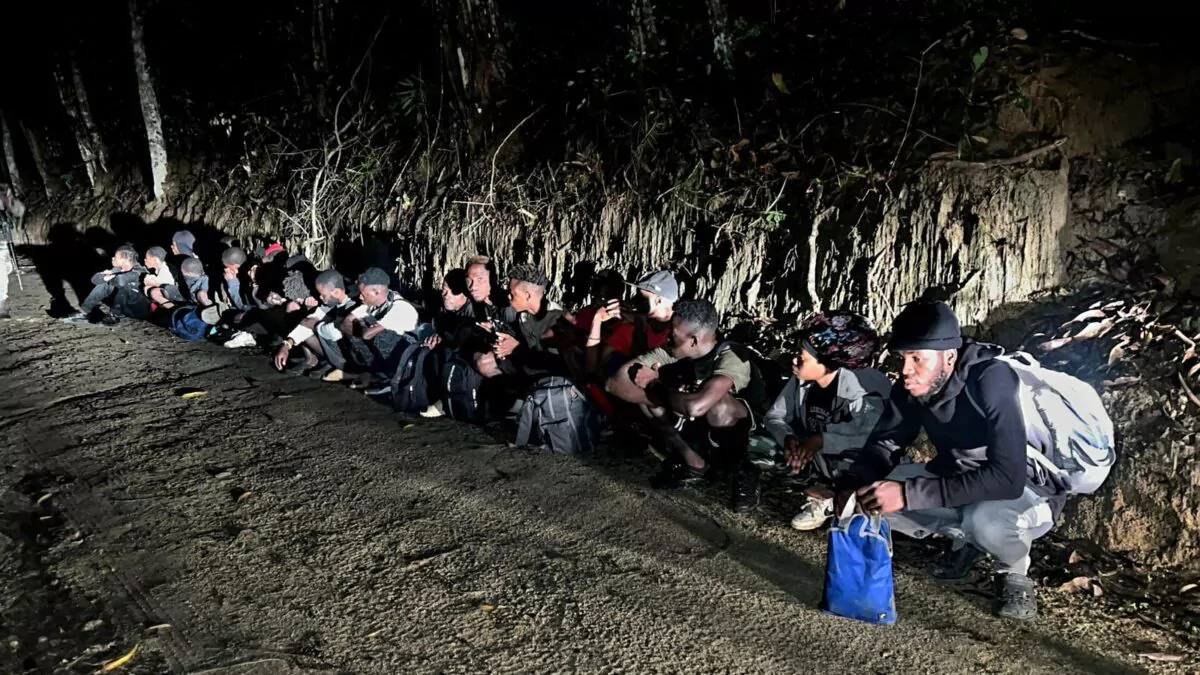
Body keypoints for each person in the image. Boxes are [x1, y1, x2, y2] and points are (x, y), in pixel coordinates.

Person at [833, 300, 1057, 621]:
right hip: (959, 475)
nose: (905, 369)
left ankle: (1013, 571)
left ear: (949, 356)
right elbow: (886, 443)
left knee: (985, 521)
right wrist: (852, 484)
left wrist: (908, 494)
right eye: (902, 357)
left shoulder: (992, 379)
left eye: (917, 358)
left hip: (1028, 490)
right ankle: (965, 541)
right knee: (871, 495)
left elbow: (1008, 478)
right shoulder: (911, 386)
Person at [606, 299, 766, 512]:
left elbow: (696, 407)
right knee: (650, 400)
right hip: (699, 424)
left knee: (719, 406)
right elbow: (614, 384)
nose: (667, 338)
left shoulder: (732, 356)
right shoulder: (673, 350)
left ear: (694, 340)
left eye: (673, 335)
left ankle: (742, 470)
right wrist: (658, 396)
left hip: (749, 434)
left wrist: (655, 386)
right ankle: (695, 464)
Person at [760, 311, 891, 531]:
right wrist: (788, 438)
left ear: (829, 362)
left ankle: (837, 498)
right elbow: (775, 416)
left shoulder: (864, 388)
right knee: (758, 443)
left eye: (802, 357)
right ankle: (821, 490)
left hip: (851, 461)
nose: (794, 360)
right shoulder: (802, 379)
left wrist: (822, 440)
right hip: (817, 457)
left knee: (863, 464)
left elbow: (875, 440)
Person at [324, 267, 419, 384]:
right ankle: (376, 374)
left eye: (363, 294)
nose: (360, 297)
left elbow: (367, 335)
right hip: (386, 355)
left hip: (407, 358)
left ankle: (391, 377)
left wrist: (362, 326)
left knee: (375, 332)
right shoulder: (372, 304)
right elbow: (345, 324)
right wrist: (362, 327)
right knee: (358, 327)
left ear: (376, 292)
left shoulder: (400, 307)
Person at [274, 270, 357, 372]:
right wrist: (286, 345)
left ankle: (347, 369)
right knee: (305, 325)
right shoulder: (332, 303)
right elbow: (307, 321)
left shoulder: (353, 306)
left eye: (323, 295)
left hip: (353, 359)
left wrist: (316, 326)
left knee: (322, 329)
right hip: (340, 353)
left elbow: (335, 333)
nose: (321, 298)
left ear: (336, 292)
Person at [62, 246, 149, 325]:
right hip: (126, 307)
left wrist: (109, 276)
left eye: (115, 257)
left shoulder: (139, 270)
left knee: (123, 286)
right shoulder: (118, 269)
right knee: (104, 283)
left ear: (124, 259)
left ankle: (114, 315)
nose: (113, 258)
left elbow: (120, 281)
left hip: (139, 310)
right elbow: (94, 280)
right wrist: (104, 277)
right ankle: (84, 312)